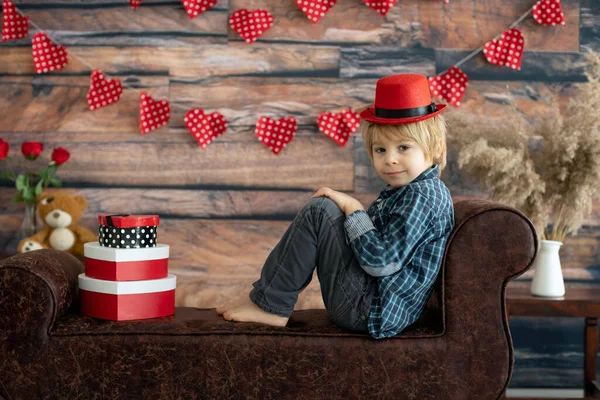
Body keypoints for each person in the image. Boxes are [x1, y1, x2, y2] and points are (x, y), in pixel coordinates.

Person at [217, 74, 455, 339]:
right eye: (380, 150)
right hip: (372, 302)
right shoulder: (410, 191)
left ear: (434, 148)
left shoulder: (422, 195)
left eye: (403, 147)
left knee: (320, 211)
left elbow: (382, 262)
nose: (390, 160)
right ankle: (266, 298)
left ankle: (270, 305)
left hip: (370, 310)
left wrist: (353, 208)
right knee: (325, 209)